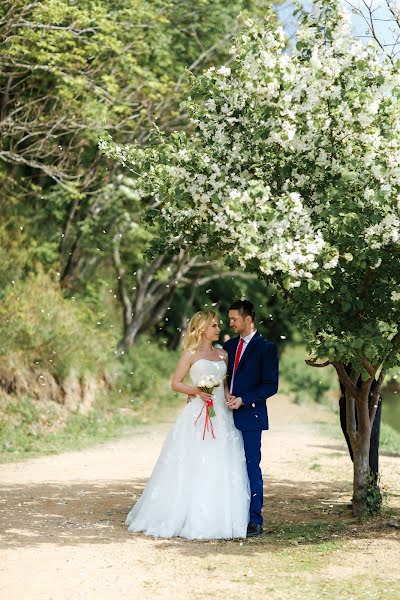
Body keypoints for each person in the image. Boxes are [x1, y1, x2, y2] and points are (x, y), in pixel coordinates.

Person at [125, 310, 250, 540]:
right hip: (197, 415)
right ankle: (186, 515)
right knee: (194, 462)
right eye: (214, 325)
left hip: (221, 415)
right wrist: (196, 391)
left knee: (220, 462)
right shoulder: (190, 355)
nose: (218, 328)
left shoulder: (223, 355)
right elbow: (175, 383)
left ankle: (217, 518)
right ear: (202, 329)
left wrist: (230, 396)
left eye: (218, 325)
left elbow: (223, 387)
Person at [223, 300, 279, 537]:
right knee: (226, 466)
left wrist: (244, 399)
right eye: (229, 319)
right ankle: (228, 515)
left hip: (251, 415)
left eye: (234, 319)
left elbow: (271, 386)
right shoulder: (229, 346)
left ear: (248, 319)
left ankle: (255, 520)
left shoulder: (266, 348)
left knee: (250, 467)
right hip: (224, 415)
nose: (231, 323)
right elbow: (221, 377)